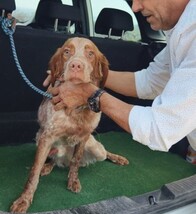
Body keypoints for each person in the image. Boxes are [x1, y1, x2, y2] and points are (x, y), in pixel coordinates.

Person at [44, 0, 196, 163]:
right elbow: (150, 82)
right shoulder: (182, 33)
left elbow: (160, 128)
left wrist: (90, 94)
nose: (135, 7)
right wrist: (88, 75)